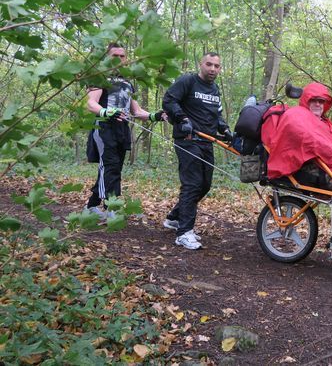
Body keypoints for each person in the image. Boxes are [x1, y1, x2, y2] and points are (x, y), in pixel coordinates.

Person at [261, 82, 332, 251]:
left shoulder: (322, 122)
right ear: (306, 100)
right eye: (314, 100)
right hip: (304, 170)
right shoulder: (297, 115)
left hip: (322, 167)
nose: (318, 104)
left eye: (321, 101)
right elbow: (315, 143)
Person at [85, 43, 166, 219]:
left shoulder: (128, 83)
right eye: (115, 56)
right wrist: (106, 112)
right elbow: (91, 103)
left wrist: (155, 116)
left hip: (122, 129)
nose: (119, 59)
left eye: (122, 56)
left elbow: (136, 111)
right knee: (110, 167)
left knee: (113, 168)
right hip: (103, 127)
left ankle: (91, 206)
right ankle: (111, 208)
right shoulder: (99, 77)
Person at [162, 52, 233, 250]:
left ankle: (175, 218)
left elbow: (216, 114)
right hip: (188, 140)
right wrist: (182, 119)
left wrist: (226, 130)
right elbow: (169, 100)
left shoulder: (214, 89)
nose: (212, 69)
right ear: (201, 64)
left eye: (216, 66)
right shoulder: (187, 81)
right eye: (209, 64)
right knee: (192, 184)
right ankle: (184, 233)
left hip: (207, 141)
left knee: (204, 185)